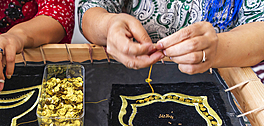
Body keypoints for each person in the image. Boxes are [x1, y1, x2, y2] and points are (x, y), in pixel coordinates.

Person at [78, 0, 264, 75]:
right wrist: (109, 25)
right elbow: (90, 12)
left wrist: (219, 48)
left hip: (221, 78)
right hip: (126, 76)